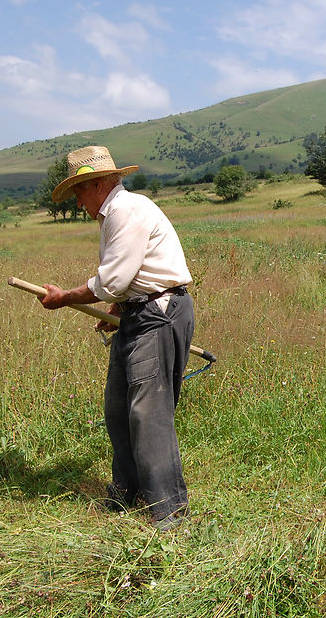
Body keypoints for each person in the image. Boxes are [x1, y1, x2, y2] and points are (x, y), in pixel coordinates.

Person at [38, 145, 194, 529]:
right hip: (138, 314)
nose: (78, 203)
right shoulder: (115, 215)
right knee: (118, 409)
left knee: (148, 414)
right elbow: (126, 281)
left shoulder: (125, 211)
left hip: (158, 316)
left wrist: (64, 298)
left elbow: (112, 280)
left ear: (96, 184)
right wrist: (118, 309)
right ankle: (127, 494)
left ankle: (169, 512)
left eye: (78, 192)